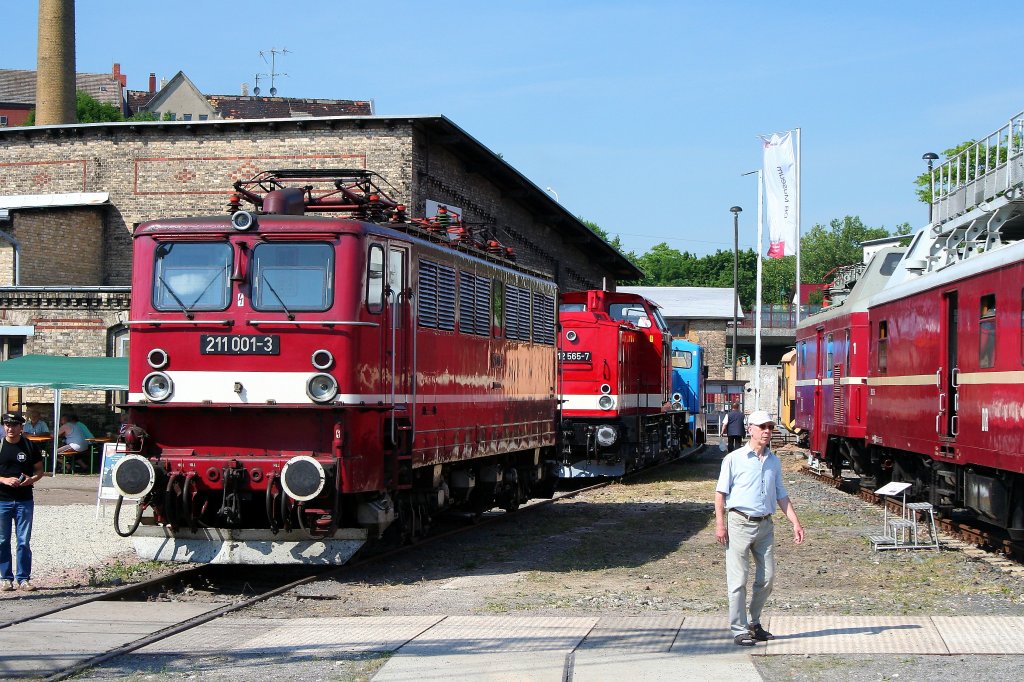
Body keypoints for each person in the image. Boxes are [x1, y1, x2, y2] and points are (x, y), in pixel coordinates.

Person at [714, 410, 804, 646]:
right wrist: (720, 524)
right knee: (738, 579)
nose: (767, 431)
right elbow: (720, 494)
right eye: (762, 427)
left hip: (765, 524)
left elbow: (781, 494)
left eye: (770, 427)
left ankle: (754, 622)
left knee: (767, 577)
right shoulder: (733, 459)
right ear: (750, 429)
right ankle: (739, 628)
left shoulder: (774, 461)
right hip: (739, 522)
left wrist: (795, 522)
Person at [0, 411, 45, 592]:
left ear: (21, 427)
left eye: (14, 425)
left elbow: (40, 471)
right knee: (2, 540)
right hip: (2, 500)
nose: (10, 428)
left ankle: (23, 578)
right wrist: (4, 480)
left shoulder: (29, 446)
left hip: (24, 500)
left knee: (23, 541)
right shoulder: (0, 445)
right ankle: (5, 578)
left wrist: (31, 479)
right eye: (7, 425)